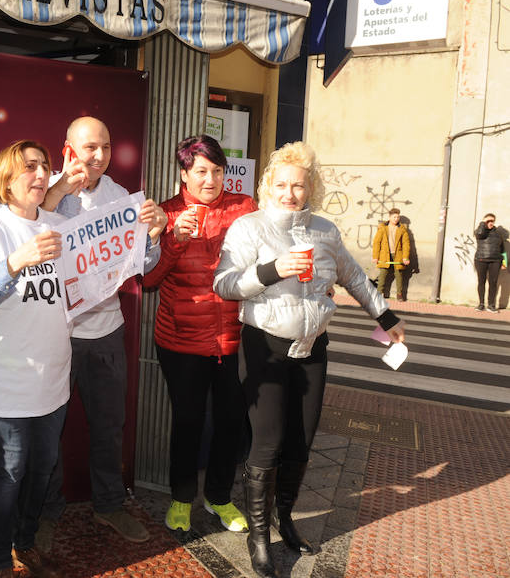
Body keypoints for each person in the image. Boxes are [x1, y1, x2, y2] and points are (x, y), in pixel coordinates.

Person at [214, 142, 406, 578]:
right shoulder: (249, 228)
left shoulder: (324, 230)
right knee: (267, 442)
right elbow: (223, 284)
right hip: (264, 346)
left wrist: (386, 316)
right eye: (281, 184)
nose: (289, 192)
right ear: (267, 186)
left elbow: (353, 275)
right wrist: (272, 271)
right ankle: (258, 536)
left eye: (298, 185)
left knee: (301, 441)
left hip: (313, 349)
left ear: (310, 187)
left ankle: (285, 519)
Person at [34, 116, 166, 548]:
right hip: (56, 331)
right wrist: (56, 196)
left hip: (107, 331)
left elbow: (143, 267)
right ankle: (45, 513)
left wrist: (154, 234)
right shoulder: (46, 189)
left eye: (106, 147)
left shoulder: (120, 197)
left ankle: (109, 505)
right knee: (48, 429)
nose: (99, 156)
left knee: (110, 427)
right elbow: (25, 238)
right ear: (68, 147)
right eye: (90, 146)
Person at [0, 140, 70, 578]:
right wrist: (15, 262)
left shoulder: (62, 224)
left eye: (44, 166)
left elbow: (96, 277)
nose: (40, 174)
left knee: (42, 471)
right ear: (5, 177)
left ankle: (25, 542)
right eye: (29, 167)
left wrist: (148, 239)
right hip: (6, 381)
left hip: (54, 378)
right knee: (10, 472)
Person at [142, 135, 256, 535]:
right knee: (188, 421)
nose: (211, 180)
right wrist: (174, 240)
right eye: (202, 171)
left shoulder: (245, 208)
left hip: (233, 338)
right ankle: (181, 498)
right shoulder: (165, 213)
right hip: (180, 340)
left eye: (218, 171)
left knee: (230, 421)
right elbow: (149, 279)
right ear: (184, 174)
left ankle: (220, 498)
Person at [371, 208, 410, 301]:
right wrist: (375, 257)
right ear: (389, 217)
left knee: (399, 275)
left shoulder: (402, 229)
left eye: (398, 217)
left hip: (398, 255)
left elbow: (406, 244)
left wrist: (405, 257)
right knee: (383, 274)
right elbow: (377, 242)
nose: (396, 219)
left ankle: (399, 295)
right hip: (385, 255)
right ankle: (379, 293)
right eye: (394, 217)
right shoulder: (383, 228)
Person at [474, 213, 505, 313]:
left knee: (493, 283)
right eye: (488, 221)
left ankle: (491, 305)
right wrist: (483, 223)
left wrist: (504, 262)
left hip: (495, 261)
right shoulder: (480, 230)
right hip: (481, 259)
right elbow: (479, 234)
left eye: (492, 221)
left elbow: (502, 249)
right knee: (481, 282)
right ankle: (481, 304)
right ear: (484, 221)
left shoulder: (498, 233)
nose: (490, 223)